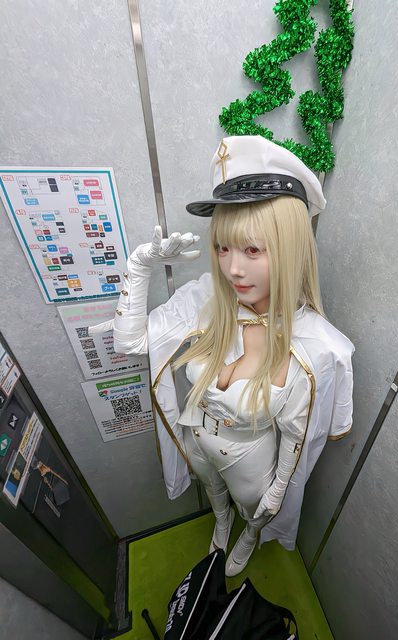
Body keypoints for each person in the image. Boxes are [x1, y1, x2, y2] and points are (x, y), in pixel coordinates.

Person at [90, 135, 354, 576]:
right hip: (196, 439)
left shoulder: (316, 345)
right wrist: (138, 268)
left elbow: (298, 433)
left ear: (290, 249)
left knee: (254, 510)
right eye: (222, 247)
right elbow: (130, 343)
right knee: (214, 493)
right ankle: (221, 521)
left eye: (253, 250)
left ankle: (248, 533)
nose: (232, 268)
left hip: (249, 460)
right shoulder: (207, 298)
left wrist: (277, 491)